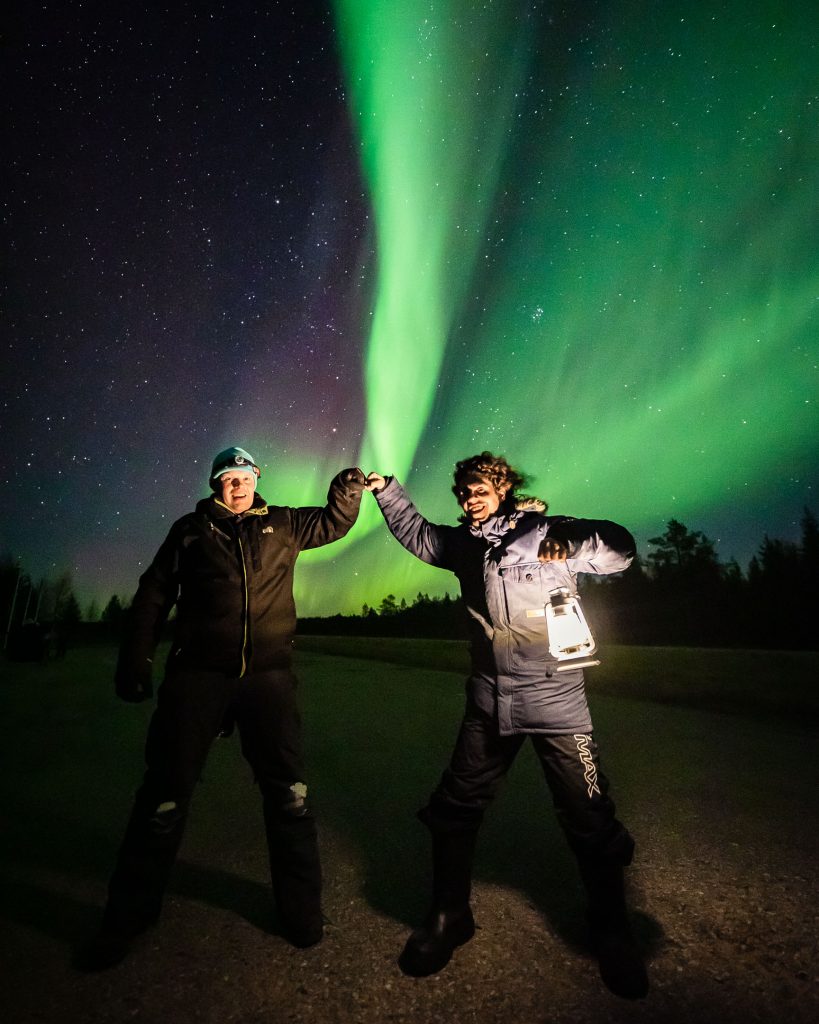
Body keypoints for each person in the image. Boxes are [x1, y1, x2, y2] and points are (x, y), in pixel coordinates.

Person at [365, 452, 648, 999]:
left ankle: (611, 929)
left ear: (502, 488)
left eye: (478, 489)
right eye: (463, 493)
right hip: (490, 700)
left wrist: (578, 532)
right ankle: (450, 916)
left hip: (557, 699)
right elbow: (420, 535)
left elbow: (621, 552)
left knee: (589, 814)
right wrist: (387, 491)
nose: (469, 500)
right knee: (455, 806)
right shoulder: (465, 546)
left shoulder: (548, 531)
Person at [79, 447, 366, 970]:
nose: (237, 484)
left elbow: (332, 524)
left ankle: (301, 912)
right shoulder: (190, 531)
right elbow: (153, 593)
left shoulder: (282, 523)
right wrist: (136, 658)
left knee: (290, 797)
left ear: (258, 479)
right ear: (216, 484)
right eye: (227, 478)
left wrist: (346, 492)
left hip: (268, 679)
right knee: (163, 800)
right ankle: (127, 918)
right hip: (198, 677)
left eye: (245, 476)